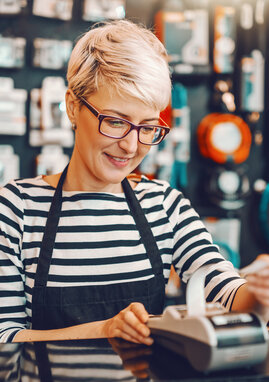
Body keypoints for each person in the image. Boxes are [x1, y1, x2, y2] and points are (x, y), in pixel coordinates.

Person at [0, 19, 268, 345]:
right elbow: (5, 338)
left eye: (147, 127)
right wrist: (104, 330)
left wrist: (260, 294)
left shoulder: (164, 205)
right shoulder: (17, 209)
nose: (130, 145)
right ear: (72, 107)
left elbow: (222, 286)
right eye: (115, 121)